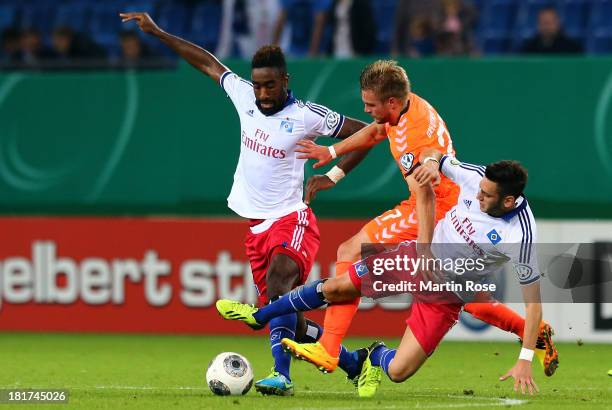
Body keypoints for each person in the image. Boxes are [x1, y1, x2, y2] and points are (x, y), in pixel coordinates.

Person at [217, 60, 558, 378]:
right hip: (442, 208)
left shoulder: (417, 135)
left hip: (437, 208)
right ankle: (532, 331)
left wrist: (424, 249)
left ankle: (329, 347)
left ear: (391, 102)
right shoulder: (404, 109)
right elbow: (375, 132)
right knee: (459, 293)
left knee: (350, 251)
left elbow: (425, 193)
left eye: (370, 105)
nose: (366, 111)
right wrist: (332, 156)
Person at [119, 11, 369, 396]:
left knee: (278, 284)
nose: (263, 94)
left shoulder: (306, 116)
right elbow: (206, 61)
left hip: (290, 216)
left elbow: (368, 133)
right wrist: (158, 32)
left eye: (270, 85)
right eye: (258, 86)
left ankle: (281, 376)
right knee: (291, 321)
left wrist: (333, 172)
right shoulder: (243, 96)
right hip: (255, 227)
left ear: (286, 80)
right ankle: (357, 362)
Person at [355, 154, 544, 398]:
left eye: (486, 195)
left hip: (448, 295)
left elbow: (534, 306)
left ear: (508, 201)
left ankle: (376, 354)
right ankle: (292, 327)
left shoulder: (521, 237)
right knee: (337, 287)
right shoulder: (475, 175)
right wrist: (433, 164)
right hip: (420, 259)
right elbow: (435, 154)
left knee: (398, 371)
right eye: (479, 190)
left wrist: (525, 359)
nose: (478, 196)